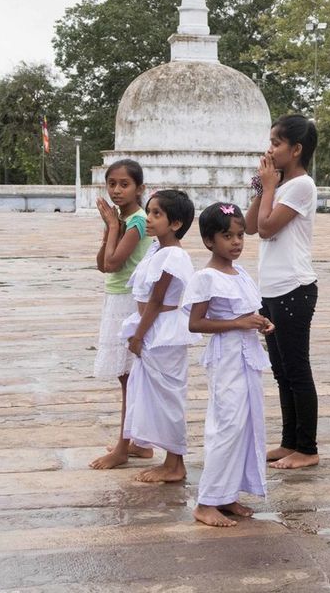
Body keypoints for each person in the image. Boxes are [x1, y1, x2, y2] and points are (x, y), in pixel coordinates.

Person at [185, 203, 275, 527]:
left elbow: (247, 313)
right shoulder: (206, 277)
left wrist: (260, 323)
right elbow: (196, 324)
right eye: (227, 236)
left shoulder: (241, 273)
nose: (236, 242)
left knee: (246, 424)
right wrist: (238, 324)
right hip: (226, 358)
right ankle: (206, 501)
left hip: (247, 356)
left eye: (239, 235)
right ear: (210, 241)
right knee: (227, 425)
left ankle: (228, 493)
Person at [246, 114, 320, 470]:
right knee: (281, 371)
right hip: (271, 288)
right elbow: (247, 225)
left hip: (295, 287)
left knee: (297, 369)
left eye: (277, 143)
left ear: (296, 149)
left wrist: (270, 188)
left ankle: (307, 447)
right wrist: (261, 188)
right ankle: (289, 441)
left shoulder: (302, 186)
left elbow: (266, 228)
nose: (270, 149)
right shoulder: (278, 186)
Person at [120, 189, 198, 483]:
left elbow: (156, 299)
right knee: (154, 395)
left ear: (175, 223)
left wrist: (139, 335)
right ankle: (160, 452)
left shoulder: (174, 256)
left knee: (168, 397)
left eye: (157, 214)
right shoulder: (157, 250)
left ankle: (175, 463)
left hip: (161, 331)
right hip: (152, 328)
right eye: (149, 211)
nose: (149, 219)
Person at [90, 159, 155, 470]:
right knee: (126, 376)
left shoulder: (138, 221)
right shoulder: (122, 219)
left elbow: (115, 263)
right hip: (116, 297)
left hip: (130, 301)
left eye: (124, 184)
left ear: (139, 189)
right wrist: (109, 228)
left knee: (128, 377)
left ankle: (123, 445)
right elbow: (102, 264)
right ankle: (138, 443)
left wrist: (114, 227)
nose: (116, 190)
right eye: (111, 184)